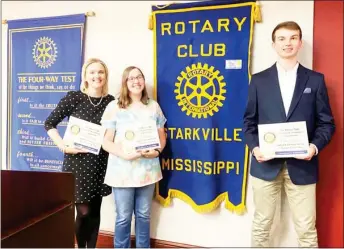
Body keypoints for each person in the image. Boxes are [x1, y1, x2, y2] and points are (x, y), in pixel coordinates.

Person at [243, 21, 335, 247]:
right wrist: (255, 148)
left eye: (293, 38)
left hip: (303, 166)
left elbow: (327, 123)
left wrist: (313, 148)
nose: (288, 43)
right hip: (265, 166)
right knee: (261, 224)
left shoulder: (315, 80)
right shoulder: (259, 80)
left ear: (300, 43)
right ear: (273, 44)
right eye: (282, 39)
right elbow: (248, 122)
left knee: (306, 228)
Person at [44, 58, 115, 248]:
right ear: (85, 76)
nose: (96, 76)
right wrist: (63, 146)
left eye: (100, 72)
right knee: (82, 211)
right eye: (92, 72)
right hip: (77, 163)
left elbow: (116, 131)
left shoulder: (111, 102)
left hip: (101, 163)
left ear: (105, 76)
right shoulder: (73, 98)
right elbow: (49, 123)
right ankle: (79, 246)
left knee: (94, 212)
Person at [100, 66, 166, 248]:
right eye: (131, 78)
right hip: (122, 171)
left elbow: (162, 135)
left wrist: (157, 151)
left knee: (144, 215)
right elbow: (106, 142)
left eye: (139, 77)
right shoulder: (114, 106)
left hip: (148, 170)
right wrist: (124, 154)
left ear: (143, 81)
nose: (136, 81)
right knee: (123, 216)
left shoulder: (153, 106)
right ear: (125, 83)